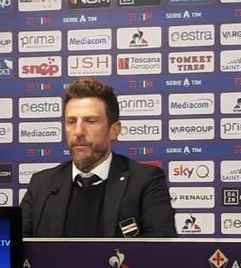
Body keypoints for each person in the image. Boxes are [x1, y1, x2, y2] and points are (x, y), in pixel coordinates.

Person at [21, 78, 176, 237]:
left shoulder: (145, 181)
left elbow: (161, 247)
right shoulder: (42, 185)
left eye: (91, 121)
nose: (78, 132)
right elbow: (16, 245)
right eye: (71, 122)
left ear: (114, 131)